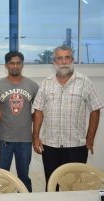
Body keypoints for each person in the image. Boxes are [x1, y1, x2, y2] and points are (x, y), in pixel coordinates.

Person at [32, 45, 103, 190]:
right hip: (50, 146)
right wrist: (35, 137)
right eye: (60, 58)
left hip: (76, 146)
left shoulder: (85, 82)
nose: (64, 62)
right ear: (54, 62)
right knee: (51, 185)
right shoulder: (46, 83)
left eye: (67, 57)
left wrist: (90, 137)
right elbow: (38, 110)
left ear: (72, 59)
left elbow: (95, 109)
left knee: (75, 187)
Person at [0, 51, 39, 192]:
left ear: (22, 65)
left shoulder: (32, 86)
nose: (15, 66)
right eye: (12, 63)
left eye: (18, 63)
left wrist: (34, 134)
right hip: (3, 140)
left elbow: (38, 112)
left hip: (25, 140)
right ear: (6, 65)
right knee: (1, 177)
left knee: (24, 177)